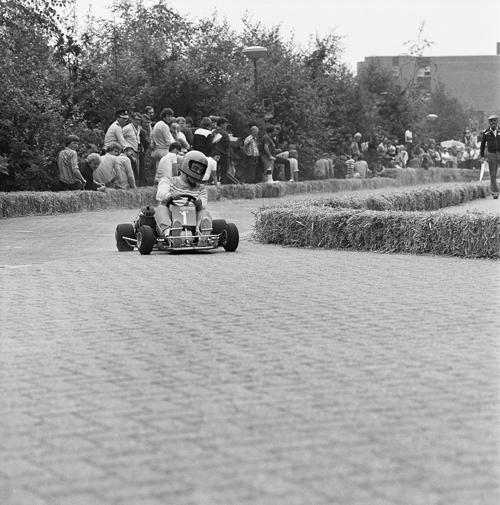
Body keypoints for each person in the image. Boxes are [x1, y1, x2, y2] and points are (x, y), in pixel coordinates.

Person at [154, 150, 212, 246]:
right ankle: (171, 235)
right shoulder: (169, 181)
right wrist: (170, 196)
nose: (198, 172)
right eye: (195, 168)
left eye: (201, 171)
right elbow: (160, 194)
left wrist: (199, 204)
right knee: (161, 209)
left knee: (205, 213)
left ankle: (202, 236)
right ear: (186, 166)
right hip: (171, 219)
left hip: (192, 222)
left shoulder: (201, 189)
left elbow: (203, 204)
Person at [480, 114, 500, 199]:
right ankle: (495, 193)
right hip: (491, 154)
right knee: (493, 174)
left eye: (494, 120)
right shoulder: (486, 132)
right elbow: (482, 145)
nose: (493, 122)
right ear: (489, 122)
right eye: (491, 121)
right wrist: (482, 156)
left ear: (497, 121)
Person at [122, 111, 142, 179]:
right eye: (136, 119)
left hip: (137, 151)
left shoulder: (139, 128)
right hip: (130, 150)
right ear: (131, 119)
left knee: (136, 170)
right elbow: (119, 137)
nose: (138, 121)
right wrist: (125, 147)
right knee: (131, 170)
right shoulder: (127, 128)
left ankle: (136, 183)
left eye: (139, 120)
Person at [212, 117, 231, 184]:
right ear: (221, 124)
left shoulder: (213, 132)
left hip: (214, 154)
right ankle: (223, 184)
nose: (226, 125)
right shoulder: (225, 133)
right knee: (224, 172)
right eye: (225, 123)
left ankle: (215, 183)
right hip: (223, 154)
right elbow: (227, 145)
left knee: (215, 170)